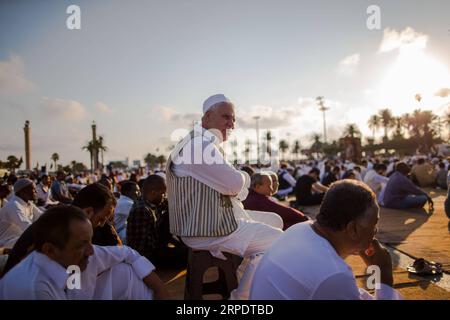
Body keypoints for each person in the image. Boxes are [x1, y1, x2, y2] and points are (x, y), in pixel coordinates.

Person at [167, 94, 283, 300]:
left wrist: (237, 182)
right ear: (208, 117)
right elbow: (235, 185)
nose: (231, 124)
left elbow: (234, 186)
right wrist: (244, 178)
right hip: (207, 229)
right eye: (226, 117)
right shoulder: (199, 146)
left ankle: (243, 275)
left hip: (209, 223)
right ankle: (241, 297)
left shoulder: (200, 143)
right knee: (279, 241)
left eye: (234, 119)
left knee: (275, 220)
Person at [250, 180, 402, 300]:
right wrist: (383, 275)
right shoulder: (334, 274)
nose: (375, 231)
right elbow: (331, 281)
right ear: (353, 229)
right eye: (374, 224)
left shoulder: (300, 229)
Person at [0, 205, 168, 299]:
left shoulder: (68, 258)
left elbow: (126, 252)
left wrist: (160, 289)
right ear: (50, 250)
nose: (90, 251)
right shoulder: (34, 289)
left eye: (90, 241)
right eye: (82, 245)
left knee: (123, 270)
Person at [1, 183, 120, 276]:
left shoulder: (66, 218)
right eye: (101, 219)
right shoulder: (61, 228)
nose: (102, 224)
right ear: (88, 211)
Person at [127, 175, 187, 269]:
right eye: (163, 194)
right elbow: (142, 249)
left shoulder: (152, 202)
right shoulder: (142, 210)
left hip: (156, 249)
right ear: (153, 193)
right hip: (147, 258)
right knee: (188, 256)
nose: (164, 197)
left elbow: (172, 205)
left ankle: (184, 246)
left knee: (170, 212)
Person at [243, 173, 308, 230]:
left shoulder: (247, 195)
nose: (271, 188)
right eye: (269, 186)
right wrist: (305, 218)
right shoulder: (259, 199)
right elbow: (286, 212)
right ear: (257, 186)